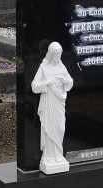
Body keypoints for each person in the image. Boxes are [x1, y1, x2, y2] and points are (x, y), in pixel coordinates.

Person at [31, 42, 73, 174]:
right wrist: (47, 83)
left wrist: (65, 81)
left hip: (59, 102)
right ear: (50, 54)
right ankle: (49, 157)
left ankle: (58, 156)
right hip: (49, 103)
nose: (58, 57)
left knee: (60, 128)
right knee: (49, 128)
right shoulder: (44, 68)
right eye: (56, 54)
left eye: (60, 54)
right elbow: (34, 86)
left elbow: (70, 80)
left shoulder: (62, 67)